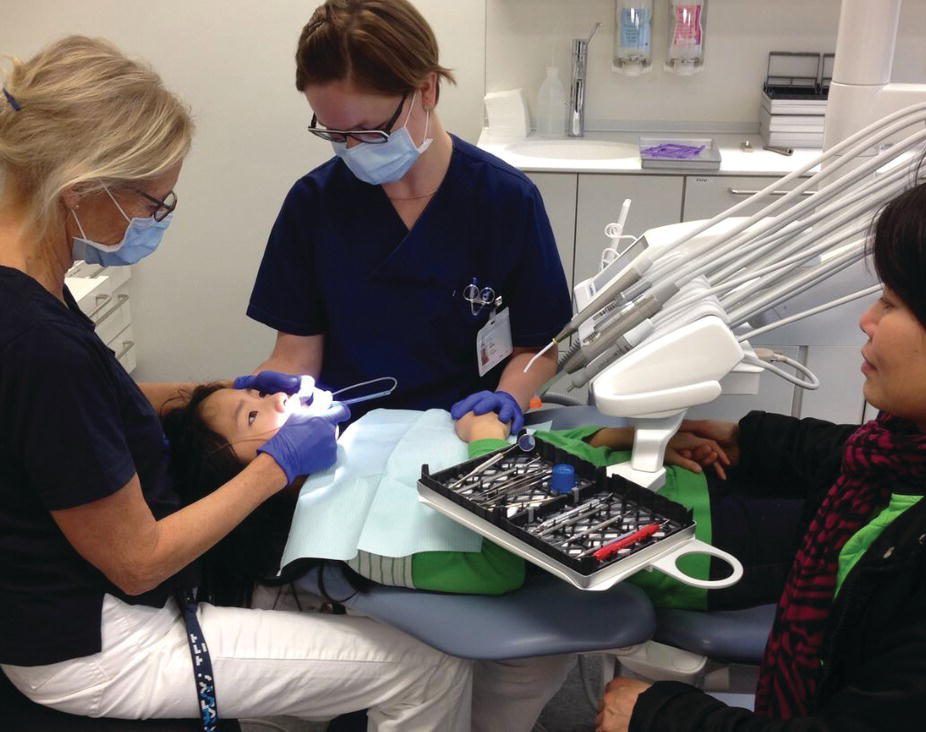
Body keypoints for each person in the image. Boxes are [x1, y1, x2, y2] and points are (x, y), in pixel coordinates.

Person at [0, 35, 473, 730]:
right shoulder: (34, 340)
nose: (156, 218)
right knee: (428, 666)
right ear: (83, 191)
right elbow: (138, 562)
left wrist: (223, 386)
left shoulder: (31, 283)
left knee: (300, 659)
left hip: (59, 611)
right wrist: (277, 466)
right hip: (97, 644)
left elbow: (81, 411)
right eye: (154, 203)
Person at [597, 167, 926, 731]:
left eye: (892, 304)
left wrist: (661, 716)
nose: (867, 320)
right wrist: (746, 438)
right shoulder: (917, 448)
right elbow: (850, 452)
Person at [162, 383, 802, 614]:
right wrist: (490, 445)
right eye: (255, 415)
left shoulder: (369, 435)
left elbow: (537, 459)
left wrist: (618, 437)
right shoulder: (356, 544)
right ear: (246, 476)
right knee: (869, 530)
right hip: (687, 542)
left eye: (262, 392)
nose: (280, 400)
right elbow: (497, 569)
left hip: (671, 478)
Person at [246, 0, 572, 440]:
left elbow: (538, 346)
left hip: (471, 433)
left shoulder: (506, 201)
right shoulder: (313, 205)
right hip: (347, 443)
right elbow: (297, 352)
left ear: (427, 89)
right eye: (335, 134)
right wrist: (270, 392)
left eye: (370, 130)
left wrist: (510, 397)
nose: (353, 148)